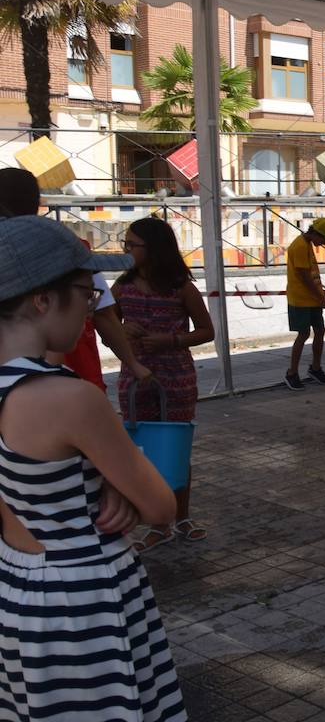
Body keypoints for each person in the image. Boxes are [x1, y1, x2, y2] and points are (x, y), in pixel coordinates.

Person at [0, 215, 198, 722]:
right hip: (83, 598)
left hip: (18, 586)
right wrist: (118, 474)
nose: (91, 307)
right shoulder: (70, 399)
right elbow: (161, 505)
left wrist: (101, 469)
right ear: (42, 301)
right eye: (85, 294)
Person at [114, 217, 216, 549]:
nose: (127, 250)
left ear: (153, 248)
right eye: (125, 244)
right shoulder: (121, 287)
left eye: (132, 245)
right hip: (134, 379)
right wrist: (123, 333)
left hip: (176, 377)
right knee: (143, 451)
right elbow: (105, 331)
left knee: (175, 449)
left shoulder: (181, 286)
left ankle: (182, 516)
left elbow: (206, 331)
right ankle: (158, 523)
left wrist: (169, 340)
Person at [0, 167, 152, 389]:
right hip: (71, 373)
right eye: (87, 294)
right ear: (37, 202)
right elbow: (104, 316)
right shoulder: (68, 250)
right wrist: (134, 364)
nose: (89, 305)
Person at [285, 217, 325, 391]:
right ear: (316, 234)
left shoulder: (306, 244)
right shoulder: (299, 246)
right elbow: (305, 278)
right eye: (323, 240)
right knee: (303, 334)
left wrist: (319, 296)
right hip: (300, 299)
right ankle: (292, 373)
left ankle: (315, 368)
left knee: (320, 331)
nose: (324, 244)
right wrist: (321, 297)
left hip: (312, 298)